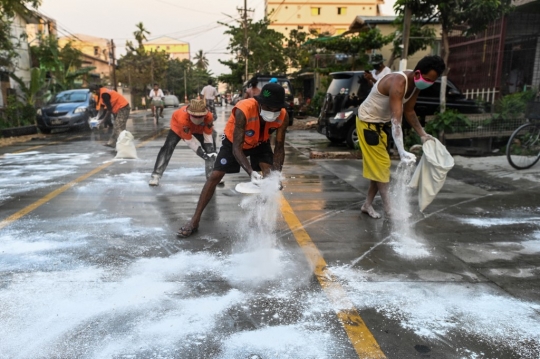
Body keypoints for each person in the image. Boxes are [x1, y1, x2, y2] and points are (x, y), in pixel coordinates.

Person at [178, 83, 290, 237]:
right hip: (233, 142)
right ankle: (194, 220)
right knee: (215, 176)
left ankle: (256, 217)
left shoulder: (283, 116)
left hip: (260, 142)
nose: (273, 112)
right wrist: (250, 171)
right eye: (269, 108)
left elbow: (279, 148)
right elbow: (237, 148)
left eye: (276, 108)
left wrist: (277, 175)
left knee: (270, 177)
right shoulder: (243, 110)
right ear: (260, 103)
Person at [356, 55, 445, 219]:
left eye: (432, 81)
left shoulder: (415, 85)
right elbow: (396, 120)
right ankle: (389, 209)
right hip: (367, 122)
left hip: (380, 124)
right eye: (426, 79)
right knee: (382, 165)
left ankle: (367, 205)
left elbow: (409, 111)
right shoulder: (398, 83)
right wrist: (402, 151)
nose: (427, 83)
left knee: (378, 168)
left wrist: (423, 135)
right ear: (418, 73)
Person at [148, 99, 215, 186]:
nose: (198, 118)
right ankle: (156, 175)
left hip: (199, 129)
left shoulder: (209, 116)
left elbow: (208, 136)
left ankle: (212, 176)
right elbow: (189, 141)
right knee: (168, 147)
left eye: (200, 116)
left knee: (211, 150)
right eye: (195, 116)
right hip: (178, 128)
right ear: (190, 113)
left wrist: (210, 151)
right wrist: (201, 153)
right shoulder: (182, 118)